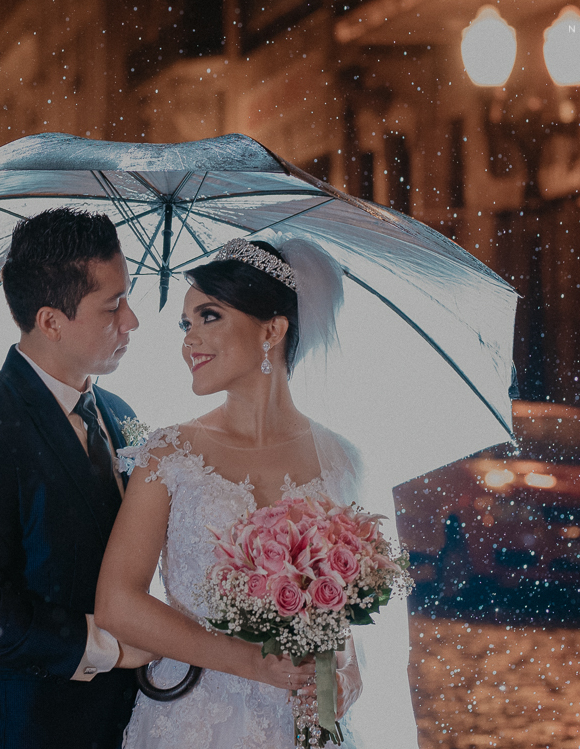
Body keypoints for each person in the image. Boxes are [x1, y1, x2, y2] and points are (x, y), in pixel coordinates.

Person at [96, 237, 407, 748]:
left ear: (272, 329)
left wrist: (346, 672)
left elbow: (341, 615)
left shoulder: (342, 459)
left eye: (208, 316)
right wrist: (251, 663)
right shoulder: (170, 454)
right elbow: (117, 603)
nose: (189, 339)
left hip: (306, 722)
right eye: (185, 323)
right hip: (196, 720)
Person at [0, 207, 154, 749]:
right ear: (50, 321)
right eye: (113, 306)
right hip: (21, 728)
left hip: (127, 723)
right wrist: (107, 647)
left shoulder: (123, 413)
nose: (132, 321)